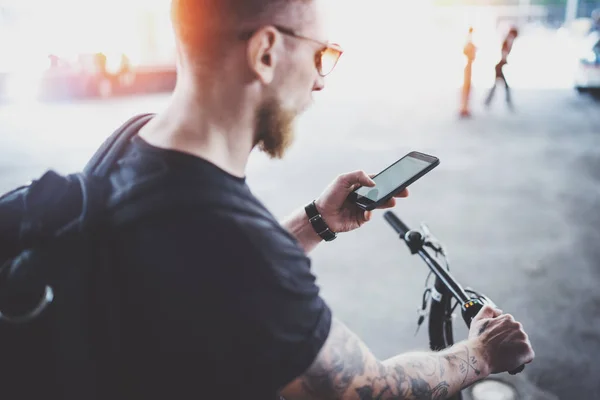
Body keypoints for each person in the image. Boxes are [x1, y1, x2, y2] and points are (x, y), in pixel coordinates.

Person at [106, 1, 535, 399]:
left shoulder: (129, 142)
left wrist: (315, 221)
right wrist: (481, 354)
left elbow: (217, 276)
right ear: (266, 52)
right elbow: (368, 388)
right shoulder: (240, 248)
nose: (320, 81)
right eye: (321, 55)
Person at [484, 26, 518, 110]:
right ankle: (507, 102)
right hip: (499, 67)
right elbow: (504, 51)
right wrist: (504, 59)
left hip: (499, 66)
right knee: (505, 86)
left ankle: (487, 101)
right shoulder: (508, 40)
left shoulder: (507, 39)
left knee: (496, 85)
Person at [460, 27, 477, 118]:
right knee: (466, 89)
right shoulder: (469, 44)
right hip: (467, 68)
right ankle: (464, 108)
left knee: (467, 89)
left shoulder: (469, 44)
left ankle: (465, 108)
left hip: (468, 67)